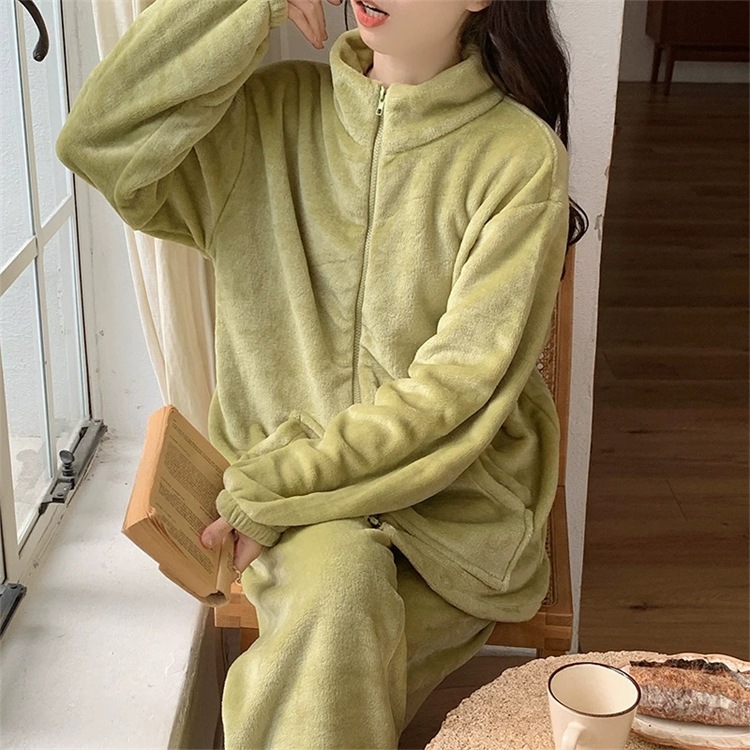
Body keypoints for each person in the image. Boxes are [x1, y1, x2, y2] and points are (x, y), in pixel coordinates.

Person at [56, 0, 588, 746]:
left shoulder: (518, 158)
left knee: (323, 660)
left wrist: (274, 488)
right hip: (294, 504)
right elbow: (98, 140)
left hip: (450, 502)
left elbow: (457, 387)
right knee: (336, 606)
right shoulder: (264, 117)